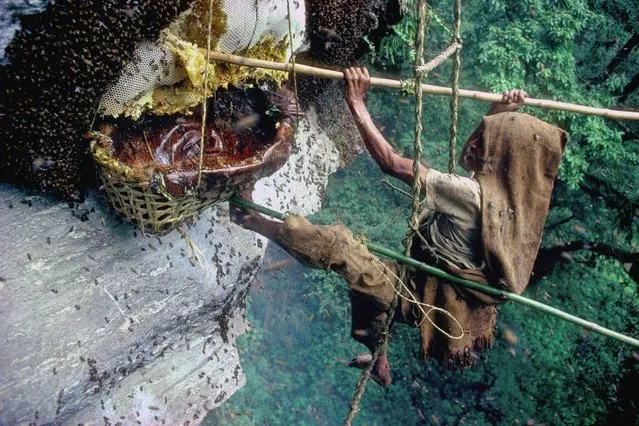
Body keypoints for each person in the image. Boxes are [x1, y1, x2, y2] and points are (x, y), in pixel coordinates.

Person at [231, 67, 567, 386]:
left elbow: (391, 163)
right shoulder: (506, 207)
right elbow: (476, 163)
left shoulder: (472, 196)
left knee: (340, 247)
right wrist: (498, 111)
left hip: (419, 294)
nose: (473, 144)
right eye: (479, 135)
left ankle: (252, 220)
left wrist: (356, 103)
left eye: (486, 142)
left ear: (503, 160)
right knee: (367, 293)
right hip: (423, 282)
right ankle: (379, 360)